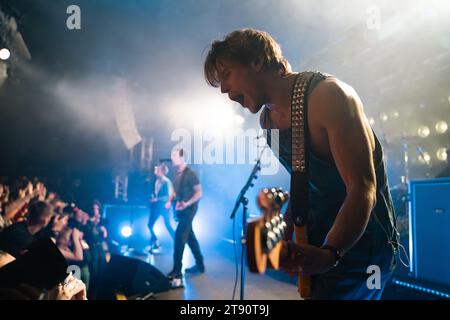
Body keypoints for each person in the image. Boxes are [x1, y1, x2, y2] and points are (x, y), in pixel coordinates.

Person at [203, 28, 398, 299]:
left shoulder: (328, 96)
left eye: (227, 75)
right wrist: (283, 236)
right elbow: (303, 183)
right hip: (322, 243)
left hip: (362, 248)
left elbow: (362, 188)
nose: (224, 89)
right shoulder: (267, 121)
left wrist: (332, 252)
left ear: (257, 61)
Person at [166, 149, 205, 282]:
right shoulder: (176, 174)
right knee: (190, 237)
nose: (172, 157)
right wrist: (170, 201)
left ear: (182, 158)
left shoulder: (191, 174)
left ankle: (177, 270)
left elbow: (199, 193)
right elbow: (174, 192)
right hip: (181, 209)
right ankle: (200, 265)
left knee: (179, 237)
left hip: (189, 209)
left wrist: (186, 204)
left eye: (174, 155)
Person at [147, 163, 175, 252]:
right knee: (150, 225)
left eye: (158, 169)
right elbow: (154, 192)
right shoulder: (155, 180)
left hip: (163, 207)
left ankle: (178, 242)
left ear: (162, 172)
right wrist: (152, 197)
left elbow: (169, 196)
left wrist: (157, 199)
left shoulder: (167, 182)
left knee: (168, 225)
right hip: (155, 207)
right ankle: (155, 242)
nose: (155, 171)